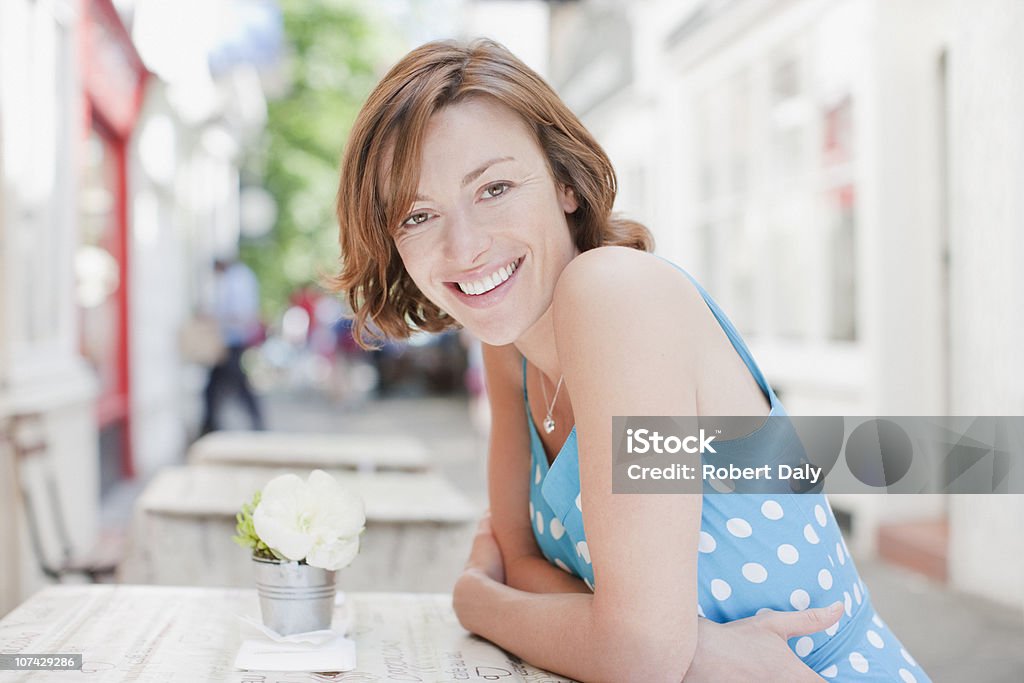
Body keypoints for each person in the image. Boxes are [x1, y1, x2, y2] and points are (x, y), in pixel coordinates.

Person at [332, 39, 930, 682]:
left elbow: (635, 655)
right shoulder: (509, 350)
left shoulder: (616, 294)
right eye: (418, 215)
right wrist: (678, 645)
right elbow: (525, 565)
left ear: (564, 181)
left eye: (495, 188)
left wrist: (475, 600)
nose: (465, 246)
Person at [200, 257, 265, 434]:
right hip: (231, 340)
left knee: (237, 385)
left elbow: (238, 313)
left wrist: (216, 319)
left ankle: (257, 423)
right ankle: (209, 425)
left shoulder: (236, 280)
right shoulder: (241, 277)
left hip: (233, 341)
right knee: (213, 387)